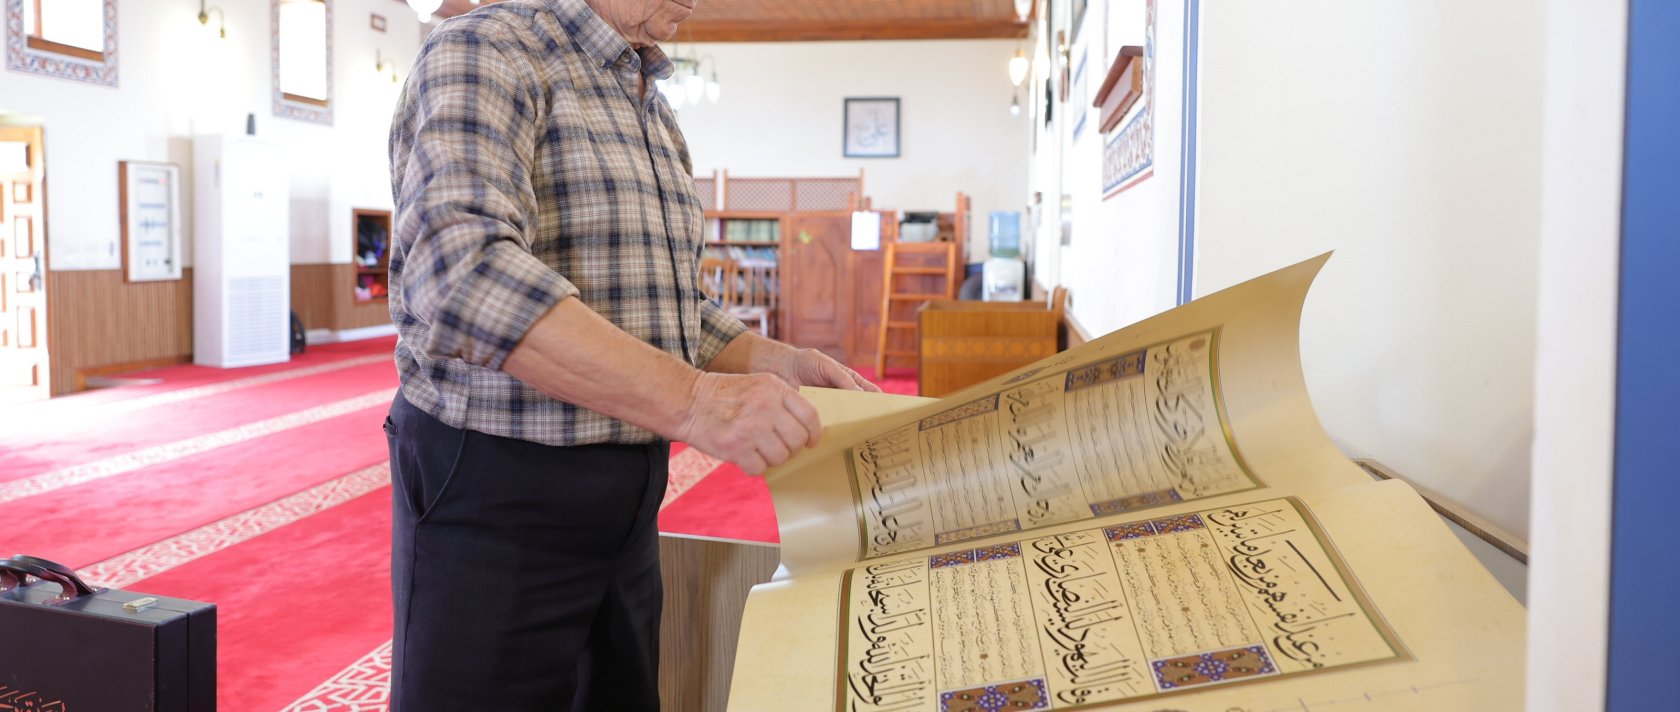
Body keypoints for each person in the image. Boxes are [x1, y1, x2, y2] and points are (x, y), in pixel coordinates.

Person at [383, 0, 881, 708]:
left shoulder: (646, 99)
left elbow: (660, 308)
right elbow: (464, 276)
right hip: (498, 497)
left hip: (626, 506)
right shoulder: (487, 48)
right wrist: (695, 401)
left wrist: (769, 360)